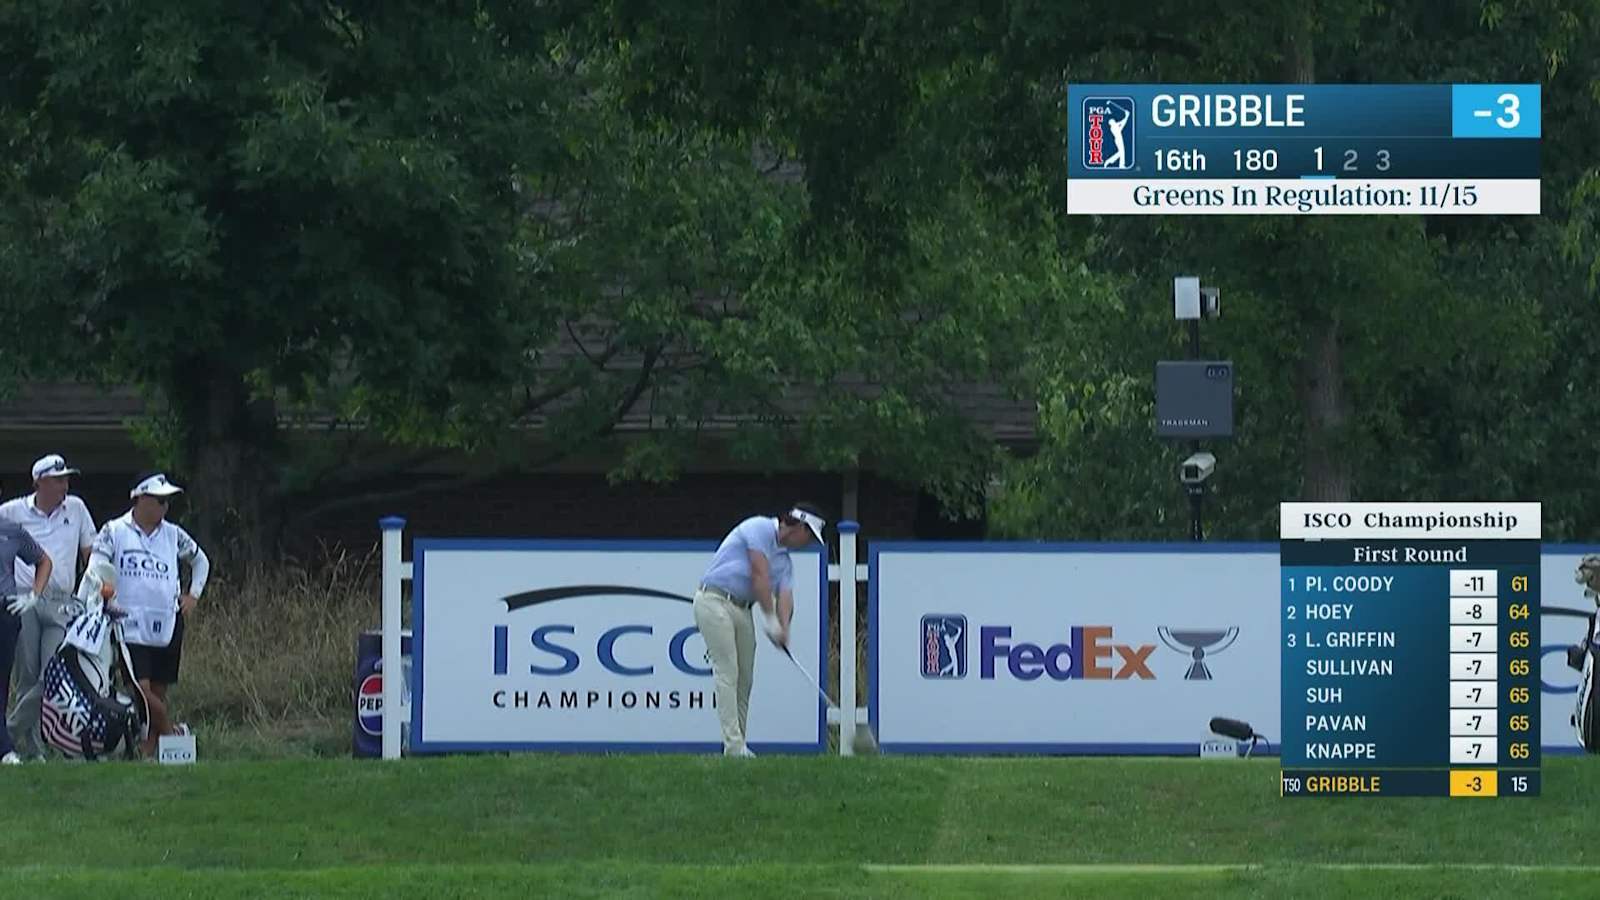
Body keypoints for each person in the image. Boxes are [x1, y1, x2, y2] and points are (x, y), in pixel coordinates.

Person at [90, 471, 210, 756]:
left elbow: (200, 560)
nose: (164, 507)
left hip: (167, 620)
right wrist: (104, 591)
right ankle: (173, 736)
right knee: (140, 690)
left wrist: (193, 595)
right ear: (140, 499)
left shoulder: (173, 534)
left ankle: (150, 747)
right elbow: (96, 565)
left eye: (167, 502)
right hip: (128, 621)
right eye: (159, 500)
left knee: (157, 692)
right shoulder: (114, 530)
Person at [693, 502, 827, 756]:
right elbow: (759, 575)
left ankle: (737, 744)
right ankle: (733, 745)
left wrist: (784, 629)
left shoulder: (785, 562)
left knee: (745, 678)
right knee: (727, 670)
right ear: (798, 525)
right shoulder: (759, 527)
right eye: (809, 535)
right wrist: (770, 619)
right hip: (713, 600)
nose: (808, 542)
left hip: (742, 609)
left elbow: (785, 596)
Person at [3, 454, 98, 761]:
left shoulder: (77, 508)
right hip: (22, 598)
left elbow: (90, 555)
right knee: (27, 674)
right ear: (39, 482)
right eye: (58, 480)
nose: (64, 485)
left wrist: (92, 595)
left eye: (66, 479)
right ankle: (30, 749)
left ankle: (11, 728)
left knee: (55, 673)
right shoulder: (12, 511)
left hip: (61, 601)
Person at [0, 504, 52, 765]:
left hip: (5, 610)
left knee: (2, 681)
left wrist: (34, 595)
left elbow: (43, 560)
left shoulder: (11, 529)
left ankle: (4, 747)